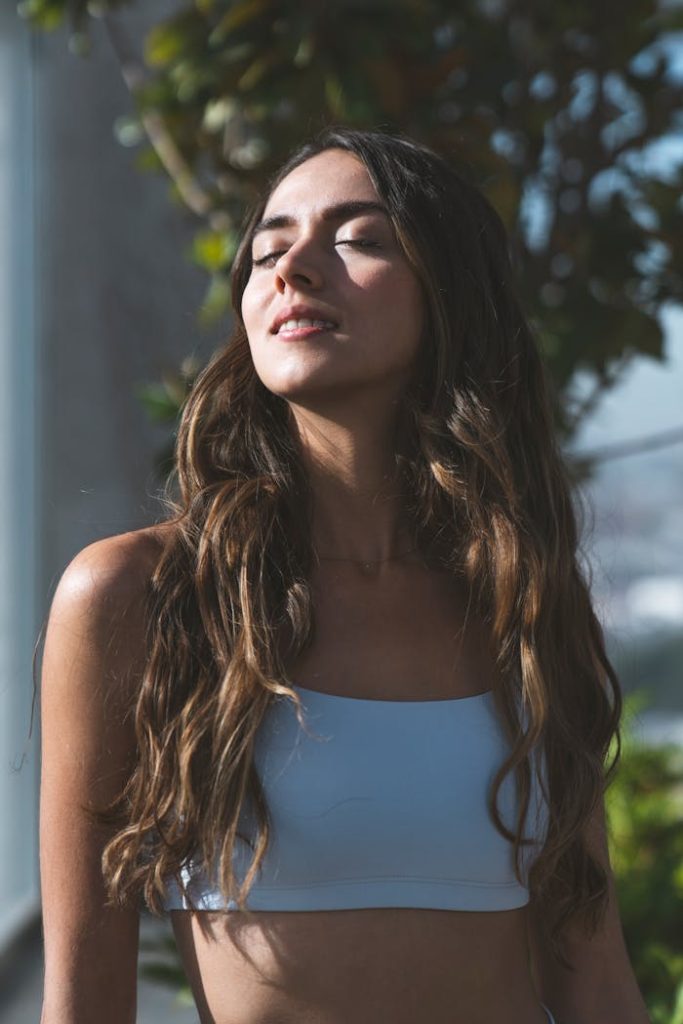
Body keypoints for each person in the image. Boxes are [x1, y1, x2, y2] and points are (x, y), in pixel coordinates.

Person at [39, 126, 651, 1024]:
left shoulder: (518, 599)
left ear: (449, 296)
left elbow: (594, 982)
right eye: (267, 250)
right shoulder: (143, 595)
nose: (293, 269)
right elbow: (84, 1001)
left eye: (358, 238)